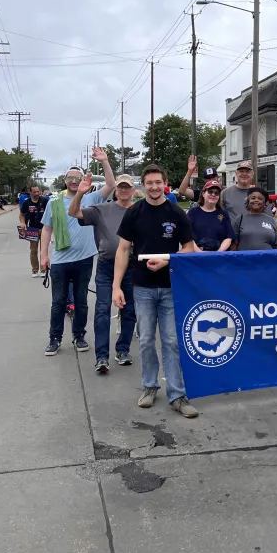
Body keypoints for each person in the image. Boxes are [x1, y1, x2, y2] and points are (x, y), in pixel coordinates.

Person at [113, 164, 198, 418]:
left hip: (171, 287)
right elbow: (123, 250)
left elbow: (189, 248)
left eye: (158, 183)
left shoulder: (176, 212)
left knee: (171, 341)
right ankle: (150, 387)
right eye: (149, 183)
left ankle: (178, 395)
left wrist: (167, 260)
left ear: (165, 184)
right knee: (147, 340)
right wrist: (117, 286)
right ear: (143, 185)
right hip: (142, 288)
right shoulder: (134, 213)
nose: (154, 187)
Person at [40, 147, 116, 356]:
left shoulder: (90, 199)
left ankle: (79, 335)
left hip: (84, 260)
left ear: (84, 180)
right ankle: (54, 339)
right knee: (58, 302)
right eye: (70, 178)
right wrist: (44, 256)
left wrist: (105, 161)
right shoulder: (53, 203)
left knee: (81, 301)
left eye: (78, 178)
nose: (74, 181)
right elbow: (46, 229)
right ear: (64, 179)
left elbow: (111, 185)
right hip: (60, 261)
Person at [69, 172, 137, 373]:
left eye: (127, 187)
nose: (124, 190)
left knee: (129, 309)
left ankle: (123, 350)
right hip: (107, 265)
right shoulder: (102, 209)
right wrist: (80, 193)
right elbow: (74, 213)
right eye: (120, 187)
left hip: (132, 267)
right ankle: (101, 357)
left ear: (133, 190)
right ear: (116, 189)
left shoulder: (140, 210)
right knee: (102, 310)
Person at [187, 180, 234, 252]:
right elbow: (188, 236)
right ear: (203, 193)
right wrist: (200, 253)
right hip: (197, 256)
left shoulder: (224, 214)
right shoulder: (193, 213)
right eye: (210, 191)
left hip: (219, 256)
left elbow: (228, 237)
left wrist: (218, 253)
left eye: (216, 193)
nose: (213, 194)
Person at [20, 185, 49, 277]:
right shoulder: (26, 203)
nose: (37, 193)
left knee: (43, 250)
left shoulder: (45, 201)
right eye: (35, 192)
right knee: (33, 250)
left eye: (38, 191)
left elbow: (50, 213)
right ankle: (35, 270)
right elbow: (21, 214)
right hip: (32, 229)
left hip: (44, 228)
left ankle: (43, 269)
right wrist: (23, 223)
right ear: (30, 193)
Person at [221, 160, 255, 225]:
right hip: (232, 233)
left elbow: (267, 218)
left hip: (253, 233)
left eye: (247, 171)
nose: (244, 174)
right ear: (236, 174)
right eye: (241, 171)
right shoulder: (225, 193)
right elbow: (219, 215)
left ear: (252, 174)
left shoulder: (259, 194)